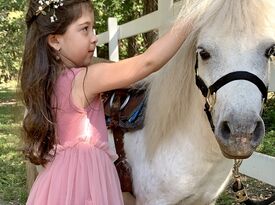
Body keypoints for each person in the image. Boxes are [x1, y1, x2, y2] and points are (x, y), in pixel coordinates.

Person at [19, 0, 192, 204]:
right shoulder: (84, 80)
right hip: (86, 180)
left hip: (57, 181)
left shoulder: (48, 80)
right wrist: (191, 18)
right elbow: (148, 62)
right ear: (55, 41)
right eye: (85, 29)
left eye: (94, 28)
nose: (95, 38)